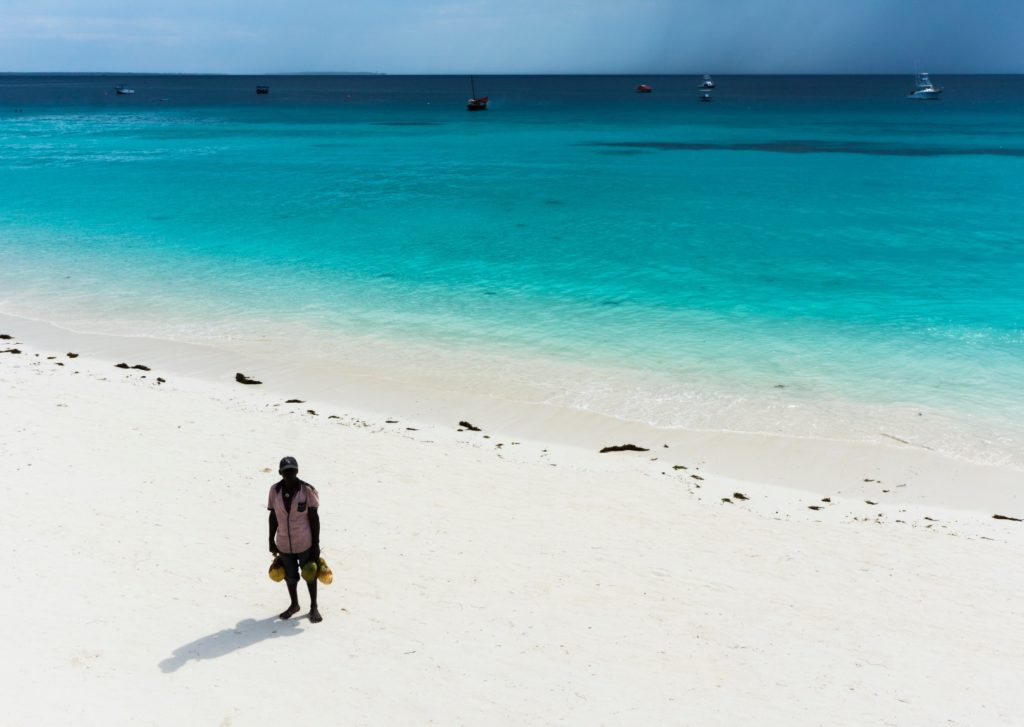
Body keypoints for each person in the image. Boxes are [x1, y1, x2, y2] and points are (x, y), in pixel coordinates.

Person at [267, 456, 322, 623]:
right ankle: (294, 605)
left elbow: (314, 518)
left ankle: (313, 607)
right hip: (284, 544)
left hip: (304, 542)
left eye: (292, 471)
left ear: (297, 471)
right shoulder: (274, 491)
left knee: (310, 574)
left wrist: (316, 545)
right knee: (290, 577)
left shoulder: (307, 490)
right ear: (280, 473)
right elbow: (273, 516)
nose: (289, 474)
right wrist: (271, 540)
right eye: (286, 472)